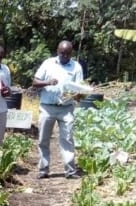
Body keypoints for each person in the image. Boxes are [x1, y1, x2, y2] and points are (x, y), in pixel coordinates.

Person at [32, 40, 84, 179]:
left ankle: (70, 171)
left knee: (67, 139)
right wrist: (48, 82)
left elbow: (78, 89)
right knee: (43, 138)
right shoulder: (48, 63)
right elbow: (35, 82)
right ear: (57, 51)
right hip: (47, 107)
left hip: (66, 109)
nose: (65, 56)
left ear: (71, 53)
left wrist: (79, 94)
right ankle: (43, 169)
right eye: (62, 53)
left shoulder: (76, 67)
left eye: (67, 54)